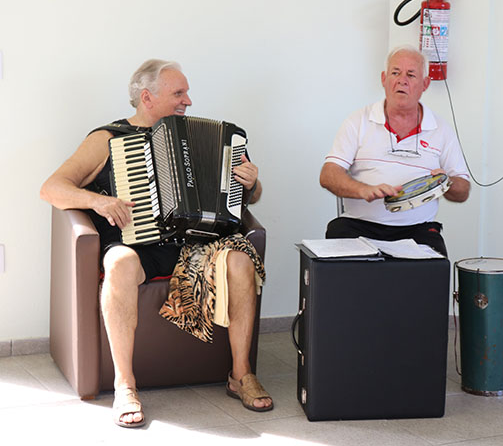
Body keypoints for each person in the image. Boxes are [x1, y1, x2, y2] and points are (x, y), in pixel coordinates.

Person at [40, 59, 271, 428]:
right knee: (118, 264)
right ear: (147, 98)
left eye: (187, 93)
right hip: (137, 247)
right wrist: (98, 201)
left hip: (196, 247)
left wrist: (252, 183)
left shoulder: (216, 138)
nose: (188, 101)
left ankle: (241, 375)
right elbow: (52, 187)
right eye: (179, 93)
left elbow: (249, 199)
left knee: (241, 260)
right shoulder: (107, 139)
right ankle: (125, 385)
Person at [319, 46, 470, 256]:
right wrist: (362, 190)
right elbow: (328, 175)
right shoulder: (358, 121)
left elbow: (463, 191)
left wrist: (446, 182)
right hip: (358, 226)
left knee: (435, 267)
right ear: (384, 79)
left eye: (411, 75)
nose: (402, 81)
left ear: (425, 84)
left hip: (417, 230)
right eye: (395, 73)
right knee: (337, 243)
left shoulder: (441, 129)